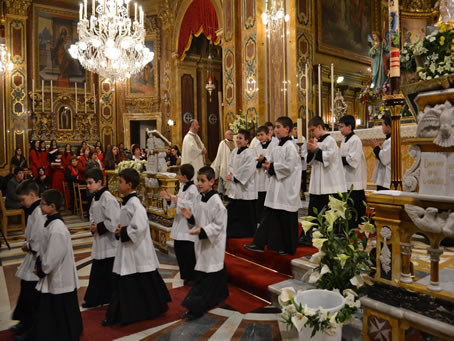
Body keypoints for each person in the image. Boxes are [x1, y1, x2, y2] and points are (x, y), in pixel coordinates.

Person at [103, 168, 170, 326]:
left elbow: (139, 226)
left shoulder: (135, 204)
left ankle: (142, 311)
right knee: (132, 281)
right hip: (129, 248)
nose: (118, 184)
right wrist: (121, 230)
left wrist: (124, 231)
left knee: (139, 279)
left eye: (120, 182)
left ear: (129, 184)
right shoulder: (128, 202)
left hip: (137, 249)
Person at [244, 117, 302, 255]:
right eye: (275, 127)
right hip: (276, 186)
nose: (275, 130)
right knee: (271, 216)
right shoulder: (278, 146)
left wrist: (272, 167)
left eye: (278, 127)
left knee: (286, 218)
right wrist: (266, 163)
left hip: (286, 188)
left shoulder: (291, 147)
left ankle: (288, 247)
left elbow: (288, 167)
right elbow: (273, 163)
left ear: (287, 129)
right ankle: (260, 243)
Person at [33, 189, 83, 340]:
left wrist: (42, 268)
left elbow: (54, 255)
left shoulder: (57, 228)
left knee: (62, 309)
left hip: (60, 276)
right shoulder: (51, 223)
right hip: (54, 273)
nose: (40, 207)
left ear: (52, 206)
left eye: (43, 204)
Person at [180, 166, 228, 320]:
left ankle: (195, 308)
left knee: (205, 279)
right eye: (198, 180)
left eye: (202, 181)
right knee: (215, 274)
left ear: (212, 182)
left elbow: (219, 226)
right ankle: (221, 295)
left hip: (212, 246)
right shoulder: (201, 198)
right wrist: (191, 219)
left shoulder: (216, 202)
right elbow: (199, 220)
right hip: (202, 244)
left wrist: (203, 231)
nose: (199, 184)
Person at [299, 116, 347, 245]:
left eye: (313, 129)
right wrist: (310, 151)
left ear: (320, 127)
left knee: (329, 212)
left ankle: (329, 235)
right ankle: (308, 235)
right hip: (317, 183)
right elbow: (309, 161)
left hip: (329, 182)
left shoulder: (330, 140)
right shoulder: (316, 141)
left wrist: (316, 150)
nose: (311, 133)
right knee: (313, 210)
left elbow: (329, 158)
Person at [10, 180, 46, 337]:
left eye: (23, 199)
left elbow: (40, 238)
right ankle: (25, 321)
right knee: (26, 288)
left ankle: (31, 324)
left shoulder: (39, 211)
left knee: (31, 293)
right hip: (32, 256)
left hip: (38, 258)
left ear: (32, 195)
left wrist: (29, 246)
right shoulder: (33, 210)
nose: (22, 203)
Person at [83, 169, 120, 308]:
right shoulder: (95, 198)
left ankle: (104, 297)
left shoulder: (108, 198)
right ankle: (97, 298)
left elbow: (114, 221)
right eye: (87, 183)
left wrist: (98, 227)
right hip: (100, 242)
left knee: (106, 272)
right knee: (98, 271)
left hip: (109, 243)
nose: (88, 186)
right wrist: (92, 225)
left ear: (99, 182)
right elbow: (92, 214)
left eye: (90, 183)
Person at [160, 164, 199, 285]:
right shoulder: (183, 187)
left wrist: (178, 201)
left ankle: (191, 277)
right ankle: (185, 274)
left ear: (185, 176)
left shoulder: (193, 189)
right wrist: (169, 198)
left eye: (179, 173)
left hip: (187, 226)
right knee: (180, 251)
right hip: (179, 224)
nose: (178, 175)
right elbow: (178, 200)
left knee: (187, 253)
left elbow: (194, 206)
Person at [225, 129, 257, 238]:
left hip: (245, 189)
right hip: (235, 186)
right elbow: (230, 165)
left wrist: (234, 177)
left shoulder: (250, 154)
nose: (238, 140)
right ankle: (234, 232)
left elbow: (248, 169)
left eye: (240, 138)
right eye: (237, 138)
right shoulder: (234, 151)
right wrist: (230, 174)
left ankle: (247, 233)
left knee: (246, 213)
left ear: (247, 141)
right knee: (233, 211)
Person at [339, 115, 367, 227]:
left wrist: (338, 160)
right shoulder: (344, 140)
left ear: (349, 126)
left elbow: (353, 160)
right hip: (346, 176)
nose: (340, 129)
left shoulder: (355, 140)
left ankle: (355, 224)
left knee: (354, 202)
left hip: (354, 178)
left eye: (342, 127)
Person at [254, 125, 275, 224]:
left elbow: (273, 159)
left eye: (262, 135)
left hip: (268, 176)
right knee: (260, 199)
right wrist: (258, 161)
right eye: (258, 135)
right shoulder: (256, 146)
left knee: (268, 196)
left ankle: (267, 219)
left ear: (267, 134)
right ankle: (258, 219)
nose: (260, 137)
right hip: (259, 175)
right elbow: (253, 159)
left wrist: (264, 159)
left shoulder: (273, 145)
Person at [369, 114, 392, 190]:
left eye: (383, 124)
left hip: (387, 178)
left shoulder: (391, 140)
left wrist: (375, 147)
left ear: (388, 127)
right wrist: (378, 148)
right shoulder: (389, 140)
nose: (382, 127)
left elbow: (384, 159)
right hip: (383, 177)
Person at [210, 129, 235, 198]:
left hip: (232, 166)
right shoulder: (223, 143)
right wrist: (217, 165)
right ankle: (224, 195)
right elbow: (219, 155)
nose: (231, 135)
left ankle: (229, 195)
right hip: (224, 164)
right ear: (225, 135)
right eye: (229, 134)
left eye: (232, 134)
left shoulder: (233, 143)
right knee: (224, 180)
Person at [291, 126, 308, 200]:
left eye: (298, 129)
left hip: (301, 162)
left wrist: (300, 155)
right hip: (293, 163)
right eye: (295, 129)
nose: (296, 131)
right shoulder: (290, 139)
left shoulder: (303, 138)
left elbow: (304, 150)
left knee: (302, 178)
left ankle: (302, 192)